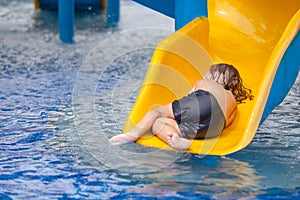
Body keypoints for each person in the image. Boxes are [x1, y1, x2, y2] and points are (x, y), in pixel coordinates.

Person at [109, 63, 253, 150]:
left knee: (158, 114)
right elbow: (227, 123)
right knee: (160, 124)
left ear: (213, 75)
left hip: (202, 101)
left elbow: (189, 100)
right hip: (214, 127)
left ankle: (132, 135)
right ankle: (179, 140)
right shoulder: (232, 99)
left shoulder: (205, 83)